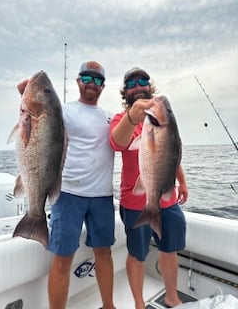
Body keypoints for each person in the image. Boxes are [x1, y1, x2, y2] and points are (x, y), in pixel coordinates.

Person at [109, 67, 188, 309]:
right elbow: (116, 143)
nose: (138, 86)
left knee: (170, 249)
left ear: (149, 86)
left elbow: (171, 152)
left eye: (143, 81)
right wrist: (134, 117)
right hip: (135, 202)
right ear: (126, 92)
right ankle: (139, 303)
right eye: (131, 84)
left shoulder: (163, 122)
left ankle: (171, 296)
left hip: (167, 198)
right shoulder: (121, 120)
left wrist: (182, 181)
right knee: (137, 254)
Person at [47, 61, 116, 309]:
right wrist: (25, 90)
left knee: (104, 254)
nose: (91, 84)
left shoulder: (110, 117)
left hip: (102, 196)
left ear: (103, 87)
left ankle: (109, 305)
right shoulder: (63, 110)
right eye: (87, 78)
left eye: (97, 80)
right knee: (63, 259)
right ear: (78, 81)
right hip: (67, 194)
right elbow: (36, 112)